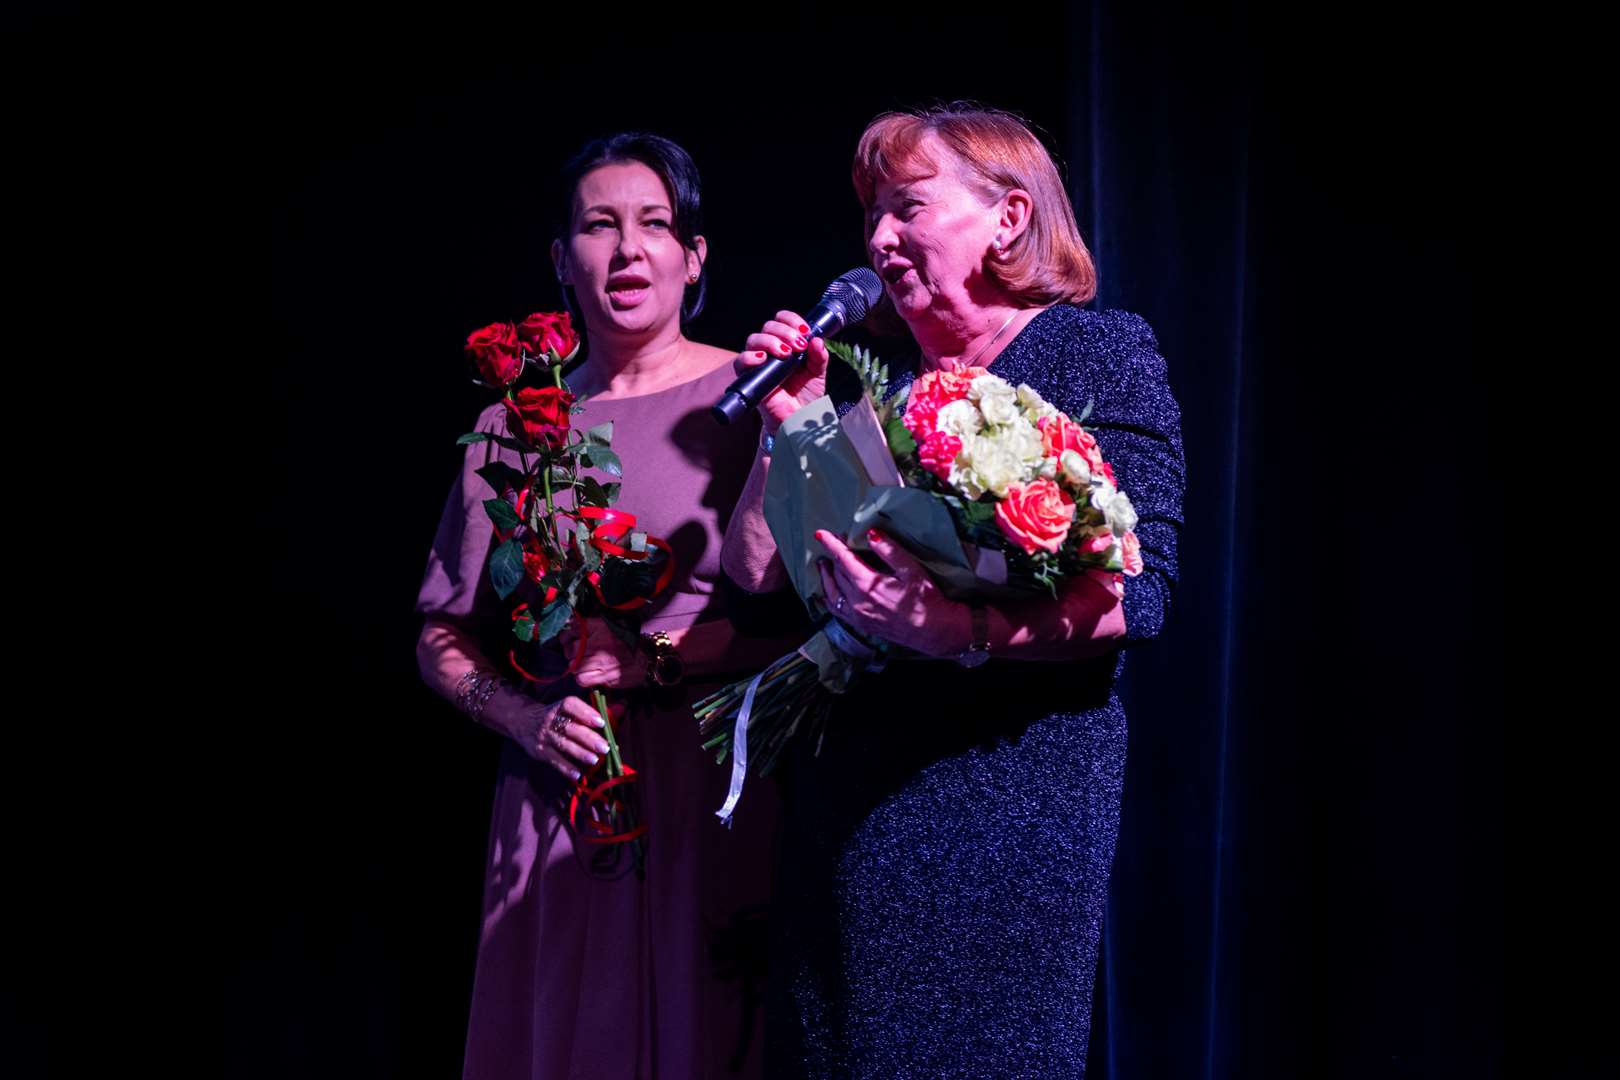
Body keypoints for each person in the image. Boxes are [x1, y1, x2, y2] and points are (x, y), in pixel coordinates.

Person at [720, 105, 1186, 1076]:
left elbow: (1137, 596)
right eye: (872, 216)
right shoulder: (876, 392)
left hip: (1002, 804)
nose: (880, 239)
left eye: (908, 207)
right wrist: (788, 424)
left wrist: (957, 626)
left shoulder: (1095, 353)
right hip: (844, 799)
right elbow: (755, 575)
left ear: (1009, 217)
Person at [417, 132, 782, 1080]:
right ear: (560, 258)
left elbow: (806, 618)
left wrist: (656, 659)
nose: (627, 249)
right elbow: (442, 633)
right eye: (599, 226)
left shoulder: (757, 396)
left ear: (693, 257)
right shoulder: (512, 426)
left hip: (712, 778)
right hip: (560, 793)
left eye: (654, 225)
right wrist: (525, 720)